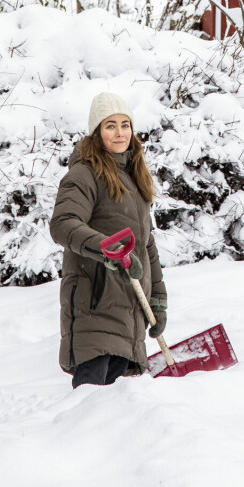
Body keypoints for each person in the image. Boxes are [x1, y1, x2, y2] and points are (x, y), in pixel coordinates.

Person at [50, 92, 167, 387]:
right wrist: (109, 250)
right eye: (110, 125)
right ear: (97, 132)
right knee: (89, 406)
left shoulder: (133, 178)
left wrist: (158, 300)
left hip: (129, 312)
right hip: (96, 304)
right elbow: (63, 224)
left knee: (114, 415)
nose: (120, 133)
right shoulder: (84, 175)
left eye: (125, 124)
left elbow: (146, 244)